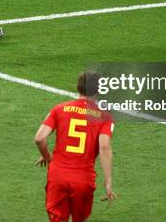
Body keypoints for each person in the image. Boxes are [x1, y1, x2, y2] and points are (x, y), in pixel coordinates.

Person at [34, 71, 116, 222]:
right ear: (98, 90)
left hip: (57, 175)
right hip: (83, 178)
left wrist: (46, 156)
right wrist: (108, 181)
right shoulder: (104, 116)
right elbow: (104, 147)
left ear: (78, 88)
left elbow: (39, 138)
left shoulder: (59, 109)